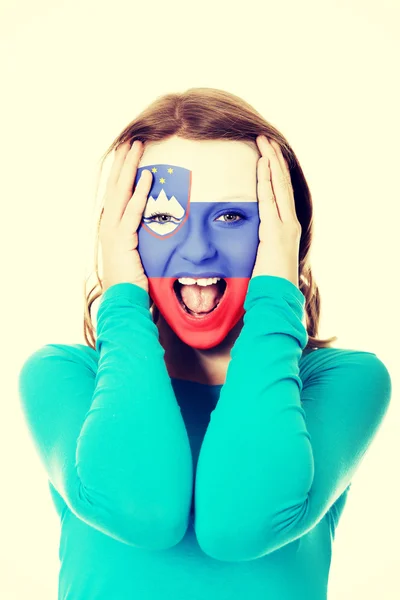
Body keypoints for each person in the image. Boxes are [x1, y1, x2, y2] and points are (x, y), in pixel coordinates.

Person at [18, 87, 392, 600]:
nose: (196, 251)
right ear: (121, 237)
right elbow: (141, 510)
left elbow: (242, 524)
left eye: (233, 217)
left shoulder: (343, 381)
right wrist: (122, 299)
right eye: (163, 218)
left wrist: (275, 297)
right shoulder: (62, 376)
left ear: (283, 237)